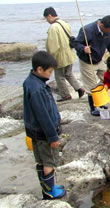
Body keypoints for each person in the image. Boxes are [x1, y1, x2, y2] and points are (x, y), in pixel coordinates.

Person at [23, 51, 66, 199]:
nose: (51, 74)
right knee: (49, 162)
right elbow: (43, 115)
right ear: (40, 69)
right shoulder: (37, 89)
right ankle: (49, 191)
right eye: (50, 71)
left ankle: (49, 188)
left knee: (42, 161)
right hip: (44, 134)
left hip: (36, 131)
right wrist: (53, 137)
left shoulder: (31, 82)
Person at [74, 15, 110, 116]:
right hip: (87, 61)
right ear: (101, 25)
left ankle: (101, 100)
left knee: (108, 79)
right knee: (91, 86)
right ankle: (93, 107)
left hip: (99, 59)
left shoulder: (109, 31)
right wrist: (83, 48)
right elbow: (76, 43)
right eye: (109, 29)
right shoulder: (87, 30)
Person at [43, 7, 85, 102]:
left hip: (60, 57)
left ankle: (65, 95)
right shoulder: (64, 23)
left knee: (59, 77)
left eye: (46, 18)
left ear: (49, 16)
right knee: (68, 73)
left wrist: (50, 58)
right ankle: (79, 88)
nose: (47, 21)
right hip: (69, 54)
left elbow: (53, 46)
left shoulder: (53, 27)